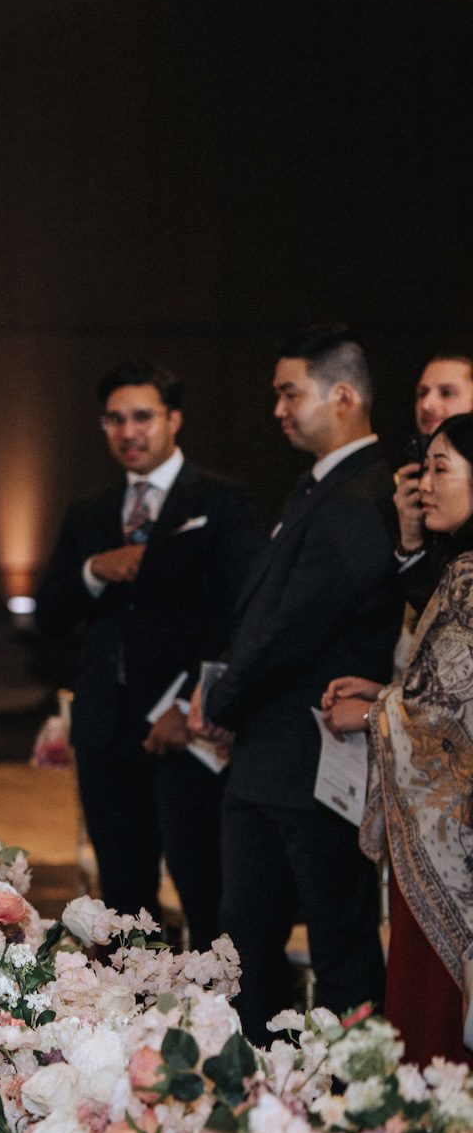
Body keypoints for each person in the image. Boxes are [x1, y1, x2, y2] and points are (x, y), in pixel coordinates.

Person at [194, 325, 396, 1042]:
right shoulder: (321, 488)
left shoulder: (358, 494)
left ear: (342, 396)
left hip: (314, 766)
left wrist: (222, 699)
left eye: (290, 393)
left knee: (339, 947)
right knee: (246, 944)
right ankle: (257, 1094)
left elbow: (294, 628)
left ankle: (350, 1108)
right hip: (271, 759)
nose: (278, 409)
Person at [33, 362, 263, 943]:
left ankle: (222, 1022)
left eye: (142, 416)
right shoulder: (90, 511)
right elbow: (50, 615)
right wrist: (93, 570)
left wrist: (193, 705)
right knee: (123, 900)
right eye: (114, 419)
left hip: (187, 730)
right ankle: (130, 1022)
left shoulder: (220, 501)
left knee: (205, 889)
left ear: (173, 419)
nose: (128, 431)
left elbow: (246, 619)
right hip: (107, 732)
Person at [322, 413, 473, 1066]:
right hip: (445, 840)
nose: (426, 484)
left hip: (453, 852)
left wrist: (371, 714)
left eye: (443, 469)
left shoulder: (470, 577)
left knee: (435, 1035)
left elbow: (450, 715)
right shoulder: (460, 568)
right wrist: (389, 695)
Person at [395, 353, 473, 615]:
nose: (428, 404)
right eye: (422, 393)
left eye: (446, 392)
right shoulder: (407, 483)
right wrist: (410, 541)